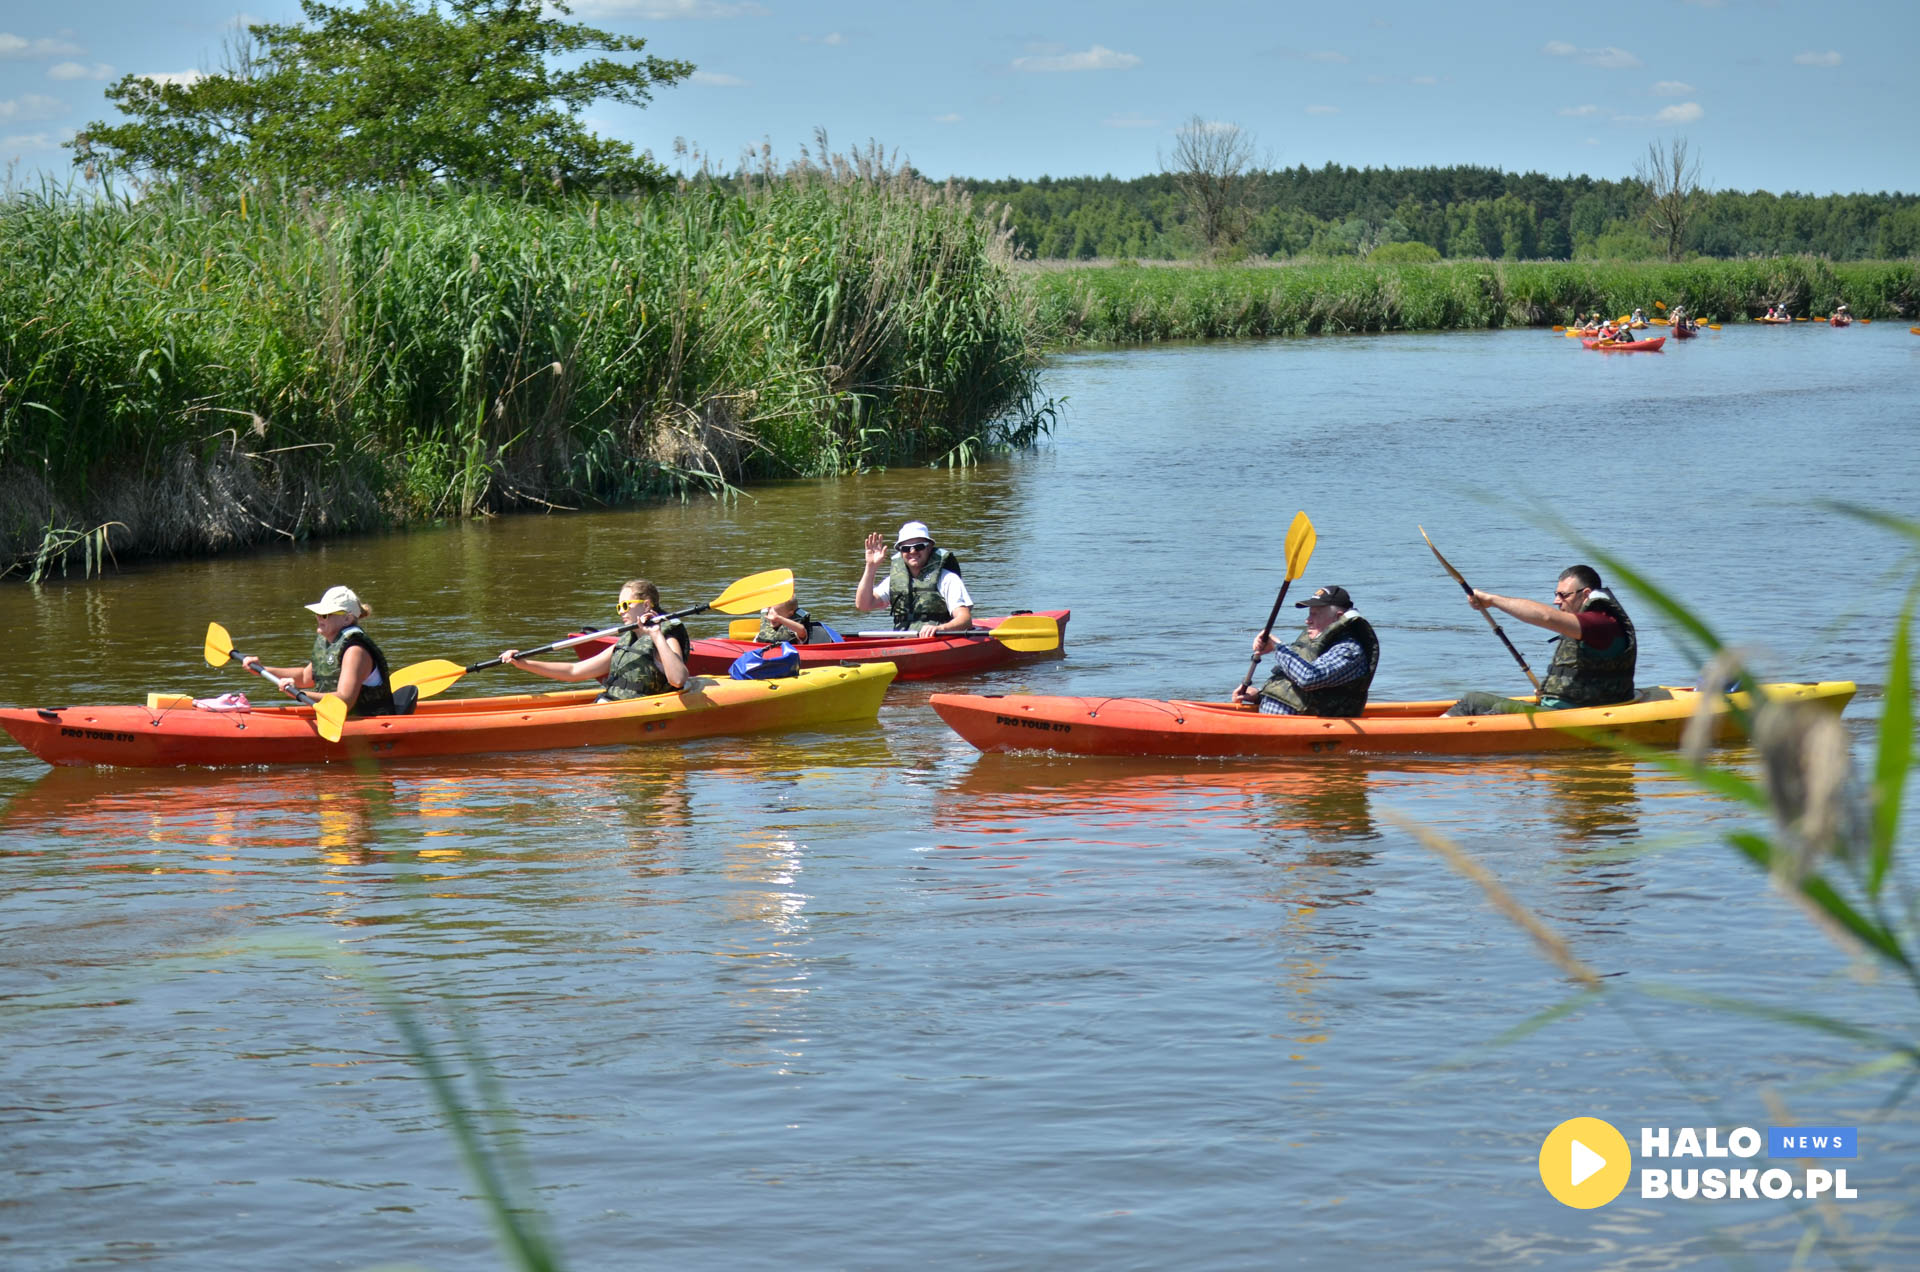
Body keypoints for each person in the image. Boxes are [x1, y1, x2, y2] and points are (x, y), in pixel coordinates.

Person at [1442, 564, 1637, 716]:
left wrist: (1492, 600)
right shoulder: (1587, 622)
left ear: (1585, 594)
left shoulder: (1601, 623)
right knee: (1473, 700)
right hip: (1560, 709)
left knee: (1502, 708)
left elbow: (1547, 617)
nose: (1556, 601)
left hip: (1577, 714)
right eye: (1556, 594)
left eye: (1564, 595)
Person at [501, 579, 689, 700]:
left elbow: (679, 680)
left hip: (640, 711)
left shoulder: (666, 637)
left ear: (646, 605)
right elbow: (574, 671)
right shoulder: (626, 642)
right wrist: (524, 663)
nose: (621, 611)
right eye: (618, 607)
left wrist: (655, 634)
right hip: (612, 704)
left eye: (625, 605)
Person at [243, 584, 412, 717]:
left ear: (347, 618)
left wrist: (299, 694)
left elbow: (345, 701)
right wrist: (262, 670)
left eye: (325, 614)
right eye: (318, 613)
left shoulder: (355, 651)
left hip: (368, 721)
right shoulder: (329, 643)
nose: (318, 618)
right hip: (337, 718)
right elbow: (305, 677)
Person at [1230, 585, 1380, 716]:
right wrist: (1258, 696)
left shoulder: (1349, 651)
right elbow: (1297, 694)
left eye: (1314, 614)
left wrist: (1277, 647)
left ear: (1338, 618)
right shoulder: (1316, 644)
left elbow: (1308, 678)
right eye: (1309, 613)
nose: (1307, 620)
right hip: (1275, 720)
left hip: (1312, 728)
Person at [855, 520, 974, 639]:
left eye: (919, 547)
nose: (912, 551)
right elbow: (863, 605)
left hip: (937, 640)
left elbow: (965, 618)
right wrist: (871, 566)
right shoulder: (894, 581)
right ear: (901, 552)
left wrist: (940, 629)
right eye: (906, 548)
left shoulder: (947, 578)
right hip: (902, 642)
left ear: (929, 547)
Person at [755, 596, 831, 644]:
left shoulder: (794, 630)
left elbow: (801, 630)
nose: (772, 617)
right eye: (769, 612)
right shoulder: (767, 624)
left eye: (777, 614)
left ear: (790, 613)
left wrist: (780, 619)